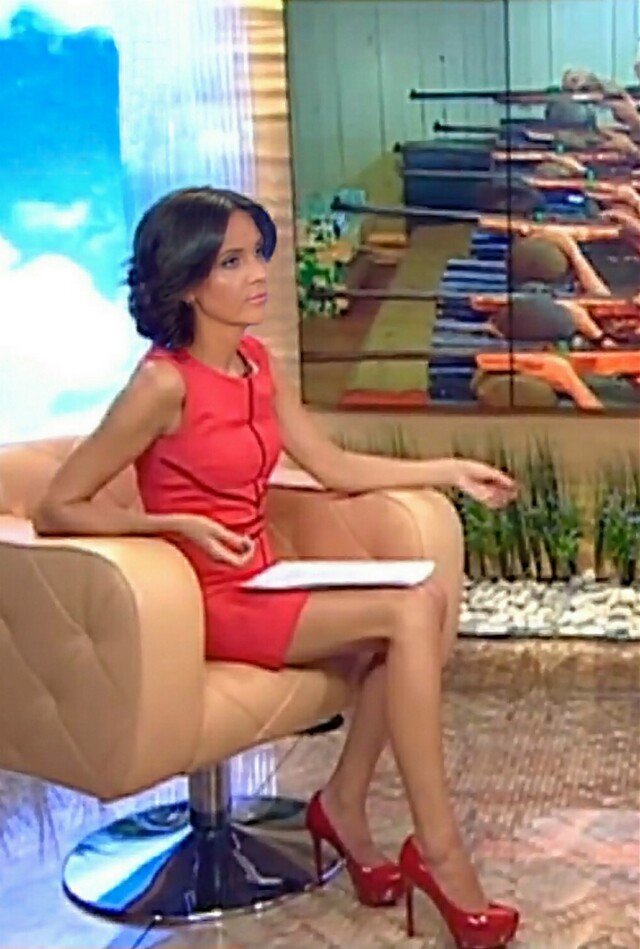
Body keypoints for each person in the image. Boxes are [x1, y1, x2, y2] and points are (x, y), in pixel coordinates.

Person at [34, 186, 520, 947]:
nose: (259, 272)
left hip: (263, 578)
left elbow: (330, 463)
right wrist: (169, 523)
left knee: (413, 605)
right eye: (232, 261)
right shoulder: (161, 383)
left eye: (257, 254)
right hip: (200, 599)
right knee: (406, 611)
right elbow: (59, 505)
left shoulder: (256, 362)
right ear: (188, 281)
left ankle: (344, 804)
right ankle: (436, 850)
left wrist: (447, 469)